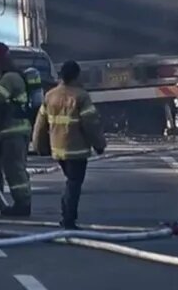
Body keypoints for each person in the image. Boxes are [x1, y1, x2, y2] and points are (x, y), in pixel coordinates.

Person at [32, 60, 106, 229]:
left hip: (58, 150)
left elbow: (40, 124)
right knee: (74, 183)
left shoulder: (50, 95)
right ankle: (68, 218)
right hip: (77, 149)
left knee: (70, 180)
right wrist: (99, 145)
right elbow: (91, 124)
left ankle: (67, 215)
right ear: (76, 76)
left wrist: (39, 145)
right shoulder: (81, 96)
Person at [0, 43, 32, 216]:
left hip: (14, 130)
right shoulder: (5, 76)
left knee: (14, 168)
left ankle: (23, 203)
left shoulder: (9, 78)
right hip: (7, 130)